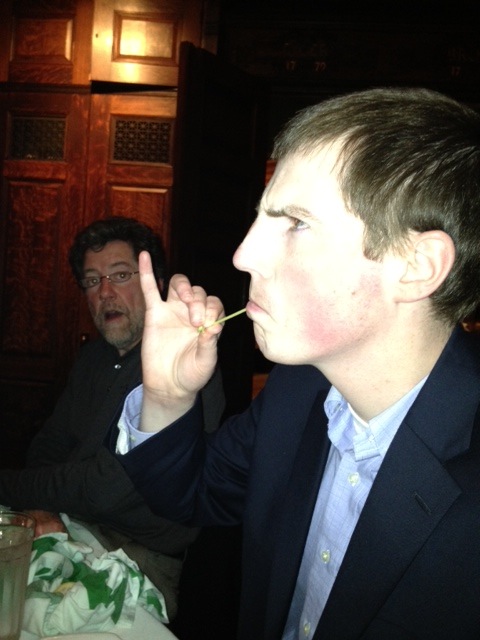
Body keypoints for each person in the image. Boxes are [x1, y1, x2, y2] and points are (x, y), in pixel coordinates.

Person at [112, 88, 480, 639]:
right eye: (262, 217)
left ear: (415, 266)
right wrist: (168, 395)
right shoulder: (298, 390)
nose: (243, 254)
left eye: (297, 223)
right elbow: (194, 495)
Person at [0, 216, 225, 622]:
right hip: (66, 524)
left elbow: (107, 490)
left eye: (120, 275)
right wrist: (39, 507)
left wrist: (10, 488)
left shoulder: (184, 365)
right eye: (92, 281)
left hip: (141, 556)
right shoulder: (92, 358)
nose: (105, 292)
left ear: (153, 283)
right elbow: (48, 445)